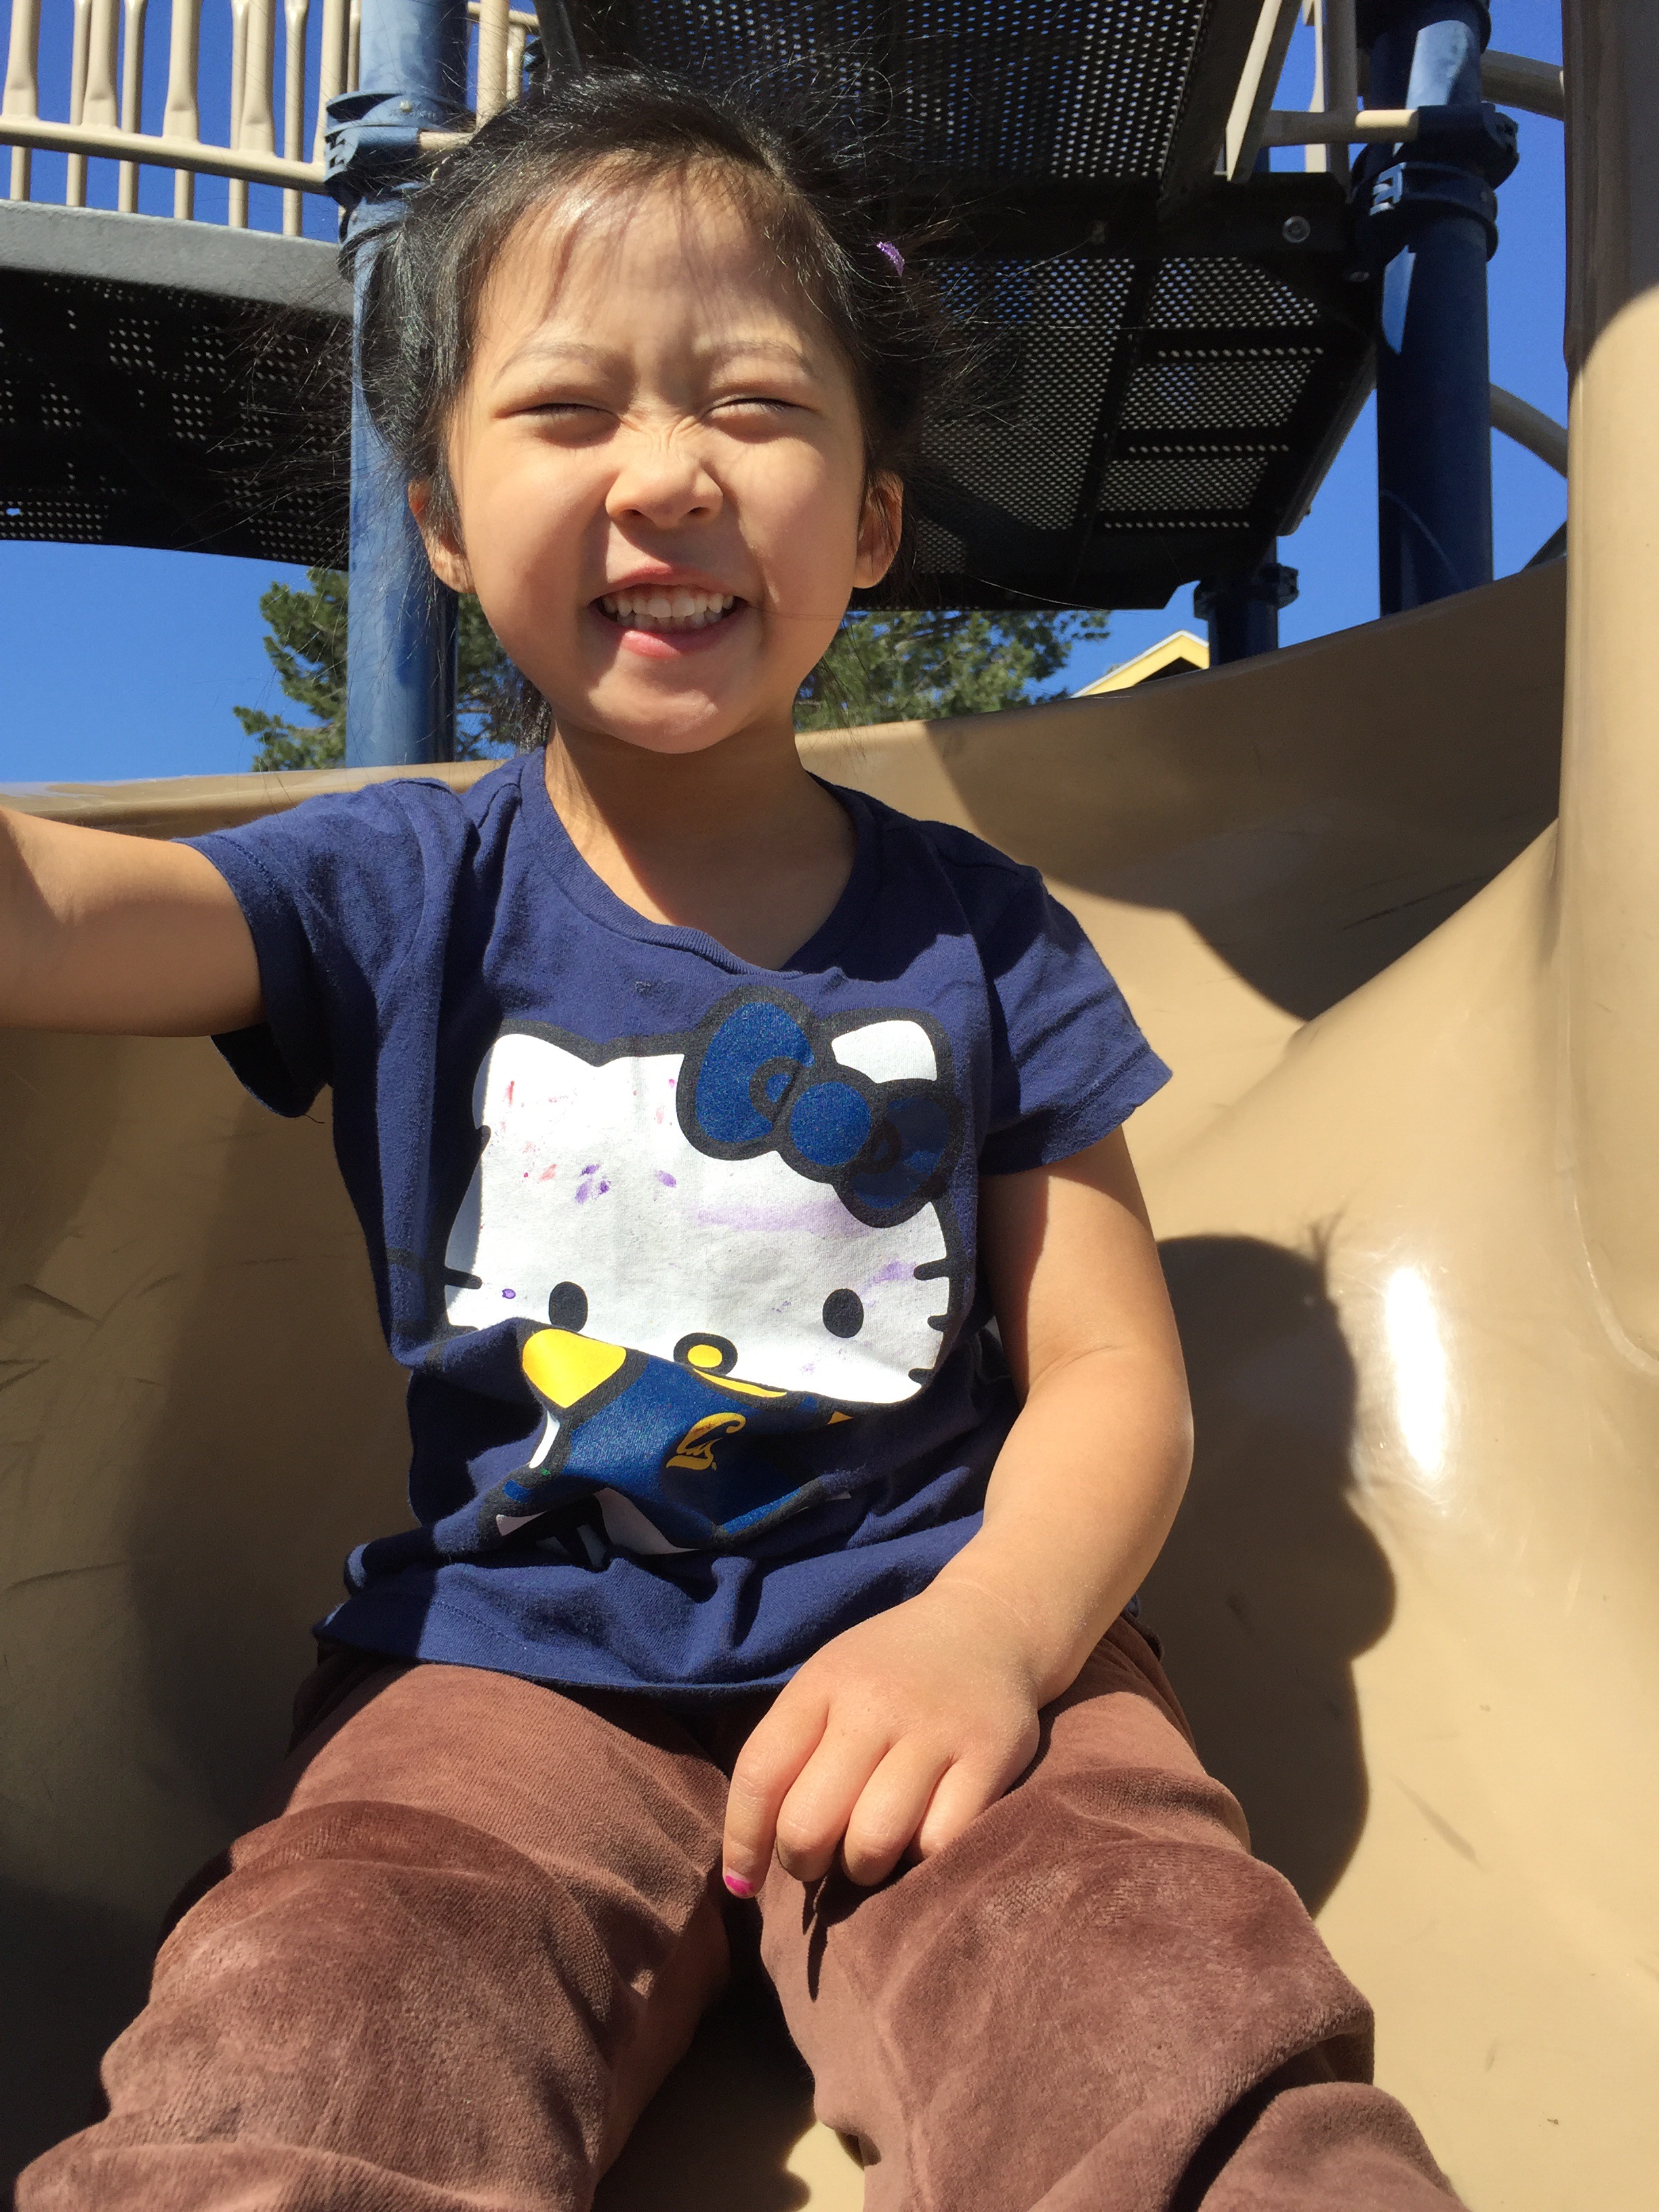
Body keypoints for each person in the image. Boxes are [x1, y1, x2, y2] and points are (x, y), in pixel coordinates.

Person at [8, 70, 1459, 2212]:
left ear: (869, 521)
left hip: (934, 1632)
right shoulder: (403, 886)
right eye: (568, 408)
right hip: (508, 1667)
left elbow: (1108, 1372)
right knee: (320, 2002)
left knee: (1144, 1990)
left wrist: (990, 1639)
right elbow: (52, 921)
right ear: (440, 515)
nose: (671, 473)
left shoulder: (985, 940)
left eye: (758, 408)